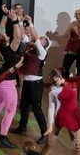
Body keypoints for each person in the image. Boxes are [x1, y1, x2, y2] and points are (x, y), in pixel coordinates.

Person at [40, 60, 80, 155]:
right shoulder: (52, 90)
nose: (54, 83)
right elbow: (51, 108)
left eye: (55, 81)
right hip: (60, 116)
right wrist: (50, 124)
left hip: (73, 116)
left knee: (77, 145)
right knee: (50, 143)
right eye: (52, 81)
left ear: (61, 77)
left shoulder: (73, 82)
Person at [10, 15, 50, 144]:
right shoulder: (30, 47)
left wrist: (31, 23)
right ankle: (22, 126)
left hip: (36, 83)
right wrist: (21, 22)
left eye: (42, 40)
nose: (39, 39)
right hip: (28, 82)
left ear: (44, 45)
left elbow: (35, 38)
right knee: (24, 105)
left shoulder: (42, 52)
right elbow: (23, 36)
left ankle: (44, 133)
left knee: (36, 108)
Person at [0, 9, 23, 149]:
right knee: (11, 110)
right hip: (7, 84)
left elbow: (1, 32)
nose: (5, 33)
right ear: (5, 41)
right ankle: (3, 137)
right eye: (5, 35)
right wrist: (14, 20)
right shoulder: (9, 51)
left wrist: (5, 17)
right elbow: (18, 37)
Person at [55, 8, 80, 77]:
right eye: (77, 14)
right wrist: (69, 30)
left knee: (79, 68)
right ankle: (65, 82)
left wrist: (77, 32)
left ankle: (78, 83)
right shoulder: (72, 23)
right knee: (65, 67)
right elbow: (65, 35)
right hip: (71, 48)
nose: (77, 16)